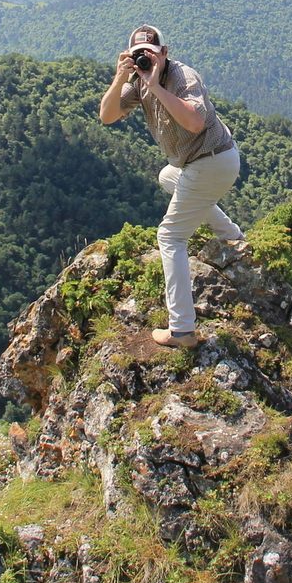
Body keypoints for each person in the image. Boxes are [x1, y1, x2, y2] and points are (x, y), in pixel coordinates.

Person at [98, 24, 242, 349]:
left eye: (150, 53)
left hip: (214, 158)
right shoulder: (136, 81)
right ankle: (231, 236)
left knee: (170, 236)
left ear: (164, 53)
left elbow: (194, 122)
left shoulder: (182, 77)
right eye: (137, 55)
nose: (144, 59)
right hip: (199, 165)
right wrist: (121, 77)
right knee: (168, 177)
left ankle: (182, 330)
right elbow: (107, 116)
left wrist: (155, 86)